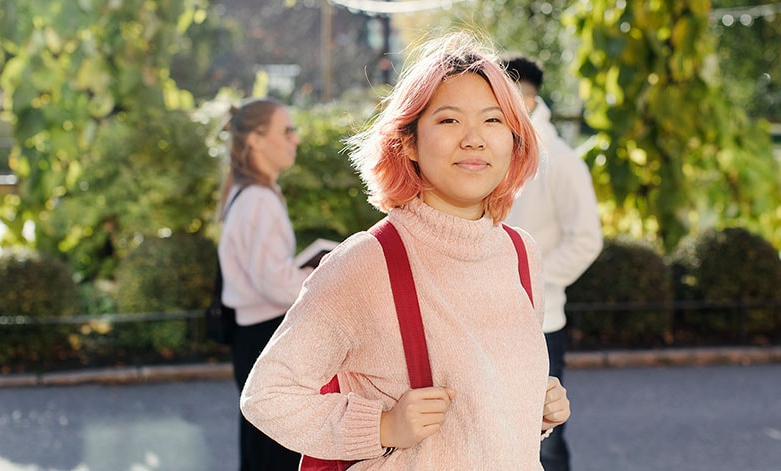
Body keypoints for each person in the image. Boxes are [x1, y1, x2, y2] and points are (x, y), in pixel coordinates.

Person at [240, 31, 570, 469]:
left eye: (493, 121)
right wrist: (381, 427)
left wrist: (534, 409)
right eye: (449, 120)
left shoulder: (520, 254)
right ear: (409, 141)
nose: (474, 139)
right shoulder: (365, 263)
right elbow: (267, 395)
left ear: (515, 141)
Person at [502, 55, 603, 471]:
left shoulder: (559, 159)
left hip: (539, 322)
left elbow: (586, 240)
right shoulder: (494, 150)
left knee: (546, 445)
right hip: (481, 319)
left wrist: (530, 284)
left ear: (525, 100)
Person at [218, 98, 310, 470]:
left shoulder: (246, 193)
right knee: (275, 454)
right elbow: (275, 283)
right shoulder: (258, 199)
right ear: (255, 139)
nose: (295, 139)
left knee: (261, 449)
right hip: (266, 335)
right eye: (286, 131)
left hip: (252, 335)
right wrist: (324, 276)